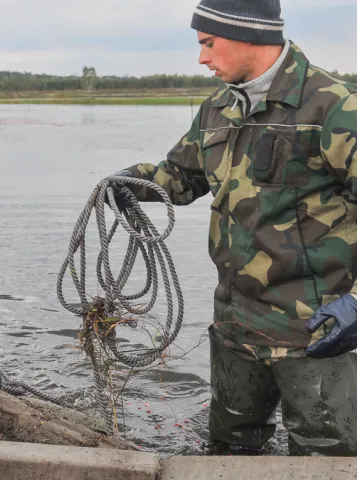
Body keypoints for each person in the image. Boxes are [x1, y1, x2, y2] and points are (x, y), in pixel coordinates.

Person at [114, 0, 357, 455]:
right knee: (230, 448)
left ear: (250, 35)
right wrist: (129, 182)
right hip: (235, 327)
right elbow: (180, 179)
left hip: (316, 332)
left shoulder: (334, 106)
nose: (201, 57)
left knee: (327, 455)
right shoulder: (217, 108)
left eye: (208, 43)